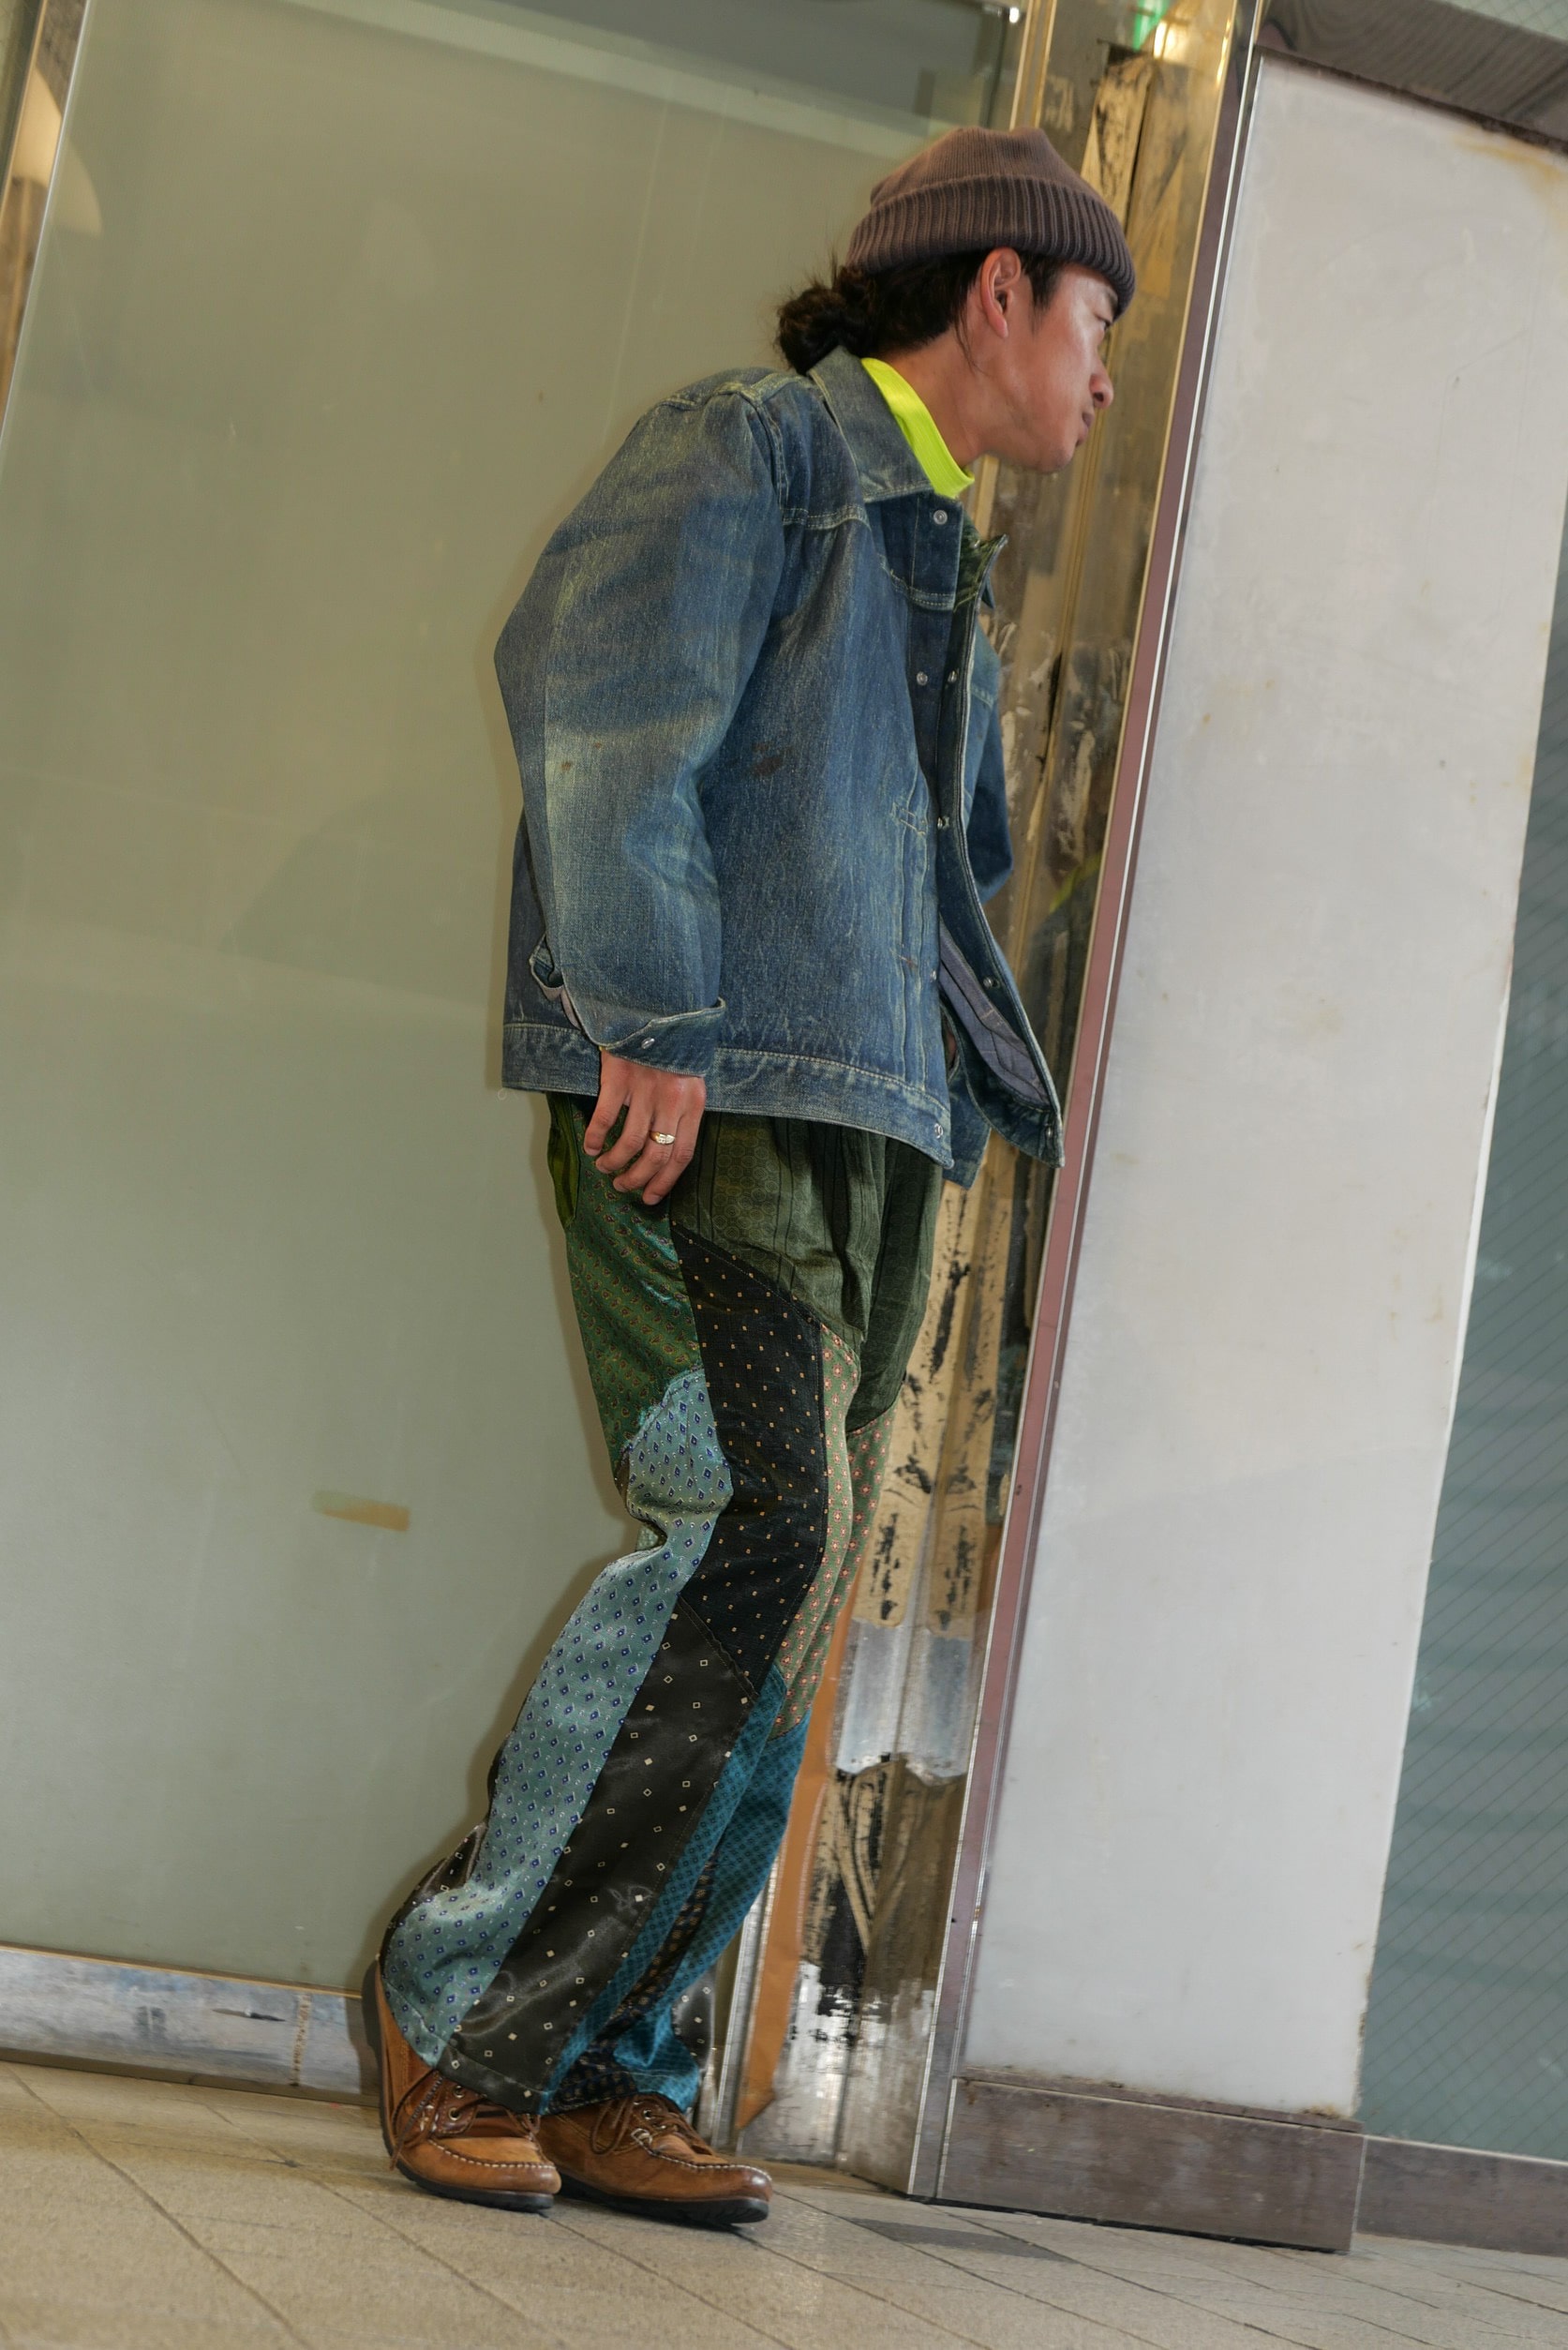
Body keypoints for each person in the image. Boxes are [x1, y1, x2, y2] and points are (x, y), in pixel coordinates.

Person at [364, 124, 1133, 2227]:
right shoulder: (757, 447)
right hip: (710, 1097)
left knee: (790, 1592)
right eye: (1093, 321)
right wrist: (647, 1016)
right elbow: (604, 706)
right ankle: (468, 2010)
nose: (1100, 374)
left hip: (872, 1125)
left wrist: (975, 1095)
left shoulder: (942, 548)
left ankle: (612, 2064)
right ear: (997, 292)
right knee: (752, 1525)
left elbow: (958, 868)